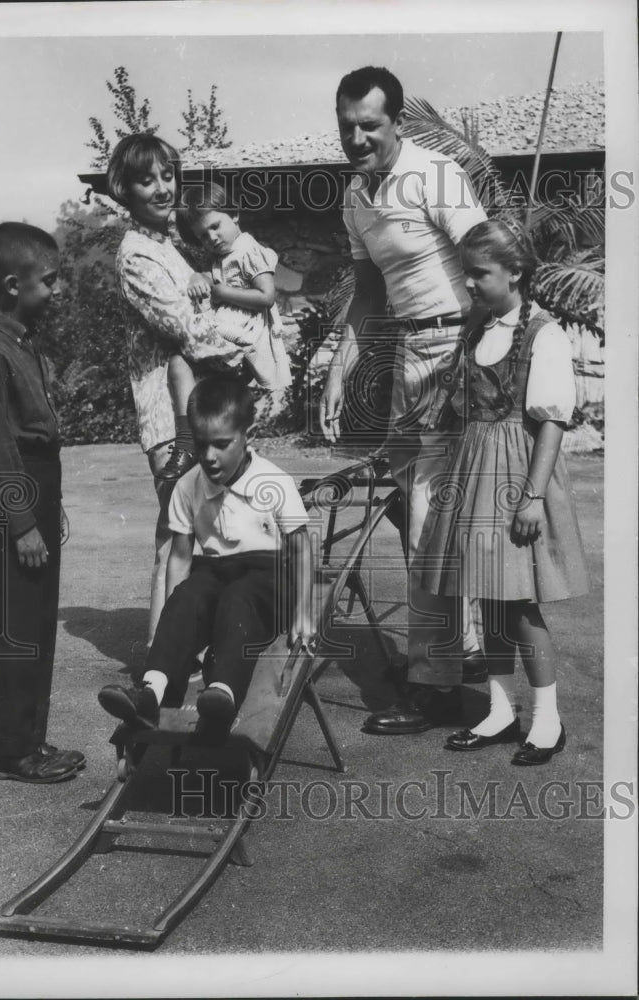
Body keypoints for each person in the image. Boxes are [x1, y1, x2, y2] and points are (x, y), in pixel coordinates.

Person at [320, 65, 489, 735]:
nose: (357, 138)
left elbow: (487, 264)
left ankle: (438, 688)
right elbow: (367, 296)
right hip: (404, 357)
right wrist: (339, 368)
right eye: (347, 127)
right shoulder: (356, 195)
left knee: (428, 517)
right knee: (404, 503)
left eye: (370, 125)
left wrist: (478, 361)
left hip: (455, 350)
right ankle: (464, 644)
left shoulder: (436, 174)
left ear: (396, 122)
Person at [417, 218, 588, 763]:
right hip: (473, 471)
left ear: (515, 272)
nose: (468, 284)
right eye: (465, 274)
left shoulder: (544, 335)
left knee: (517, 606)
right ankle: (499, 709)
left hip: (516, 476)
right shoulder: (478, 329)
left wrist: (533, 496)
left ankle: (547, 720)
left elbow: (552, 423)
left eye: (479, 274)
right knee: (486, 600)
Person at [98, 375, 314, 743]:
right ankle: (152, 693)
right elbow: (180, 558)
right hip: (215, 571)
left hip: (267, 579)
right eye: (201, 446)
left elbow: (301, 548)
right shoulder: (188, 486)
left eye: (221, 444)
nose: (210, 456)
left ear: (249, 434)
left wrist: (303, 612)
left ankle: (223, 695)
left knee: (238, 599)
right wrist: (175, 618)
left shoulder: (274, 482)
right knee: (187, 596)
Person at [106, 134, 243, 646]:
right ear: (125, 189)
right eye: (148, 180)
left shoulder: (168, 245)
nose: (162, 188)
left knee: (203, 535)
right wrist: (247, 359)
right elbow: (187, 326)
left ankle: (188, 653)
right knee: (175, 537)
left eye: (168, 176)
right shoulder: (137, 256)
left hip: (198, 405)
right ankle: (160, 661)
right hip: (170, 417)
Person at [0, 222, 84, 783]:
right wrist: (21, 523)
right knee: (15, 625)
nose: (57, 291)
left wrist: (45, 506)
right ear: (14, 284)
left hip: (32, 486)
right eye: (50, 281)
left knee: (37, 622)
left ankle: (32, 742)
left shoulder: (19, 341)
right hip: (8, 493)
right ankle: (12, 752)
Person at [169, 181, 291, 436]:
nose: (212, 238)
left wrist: (224, 293)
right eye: (203, 235)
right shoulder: (220, 255)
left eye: (215, 227)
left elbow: (267, 295)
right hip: (231, 322)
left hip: (248, 326)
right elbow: (210, 277)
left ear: (234, 215)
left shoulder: (248, 249)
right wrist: (196, 279)